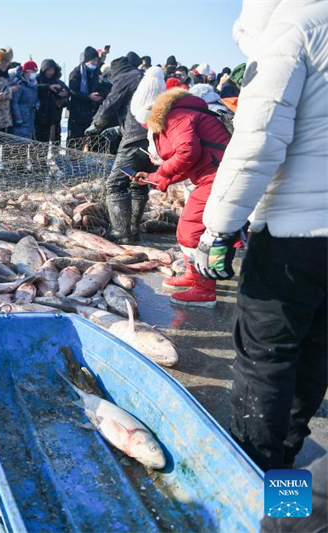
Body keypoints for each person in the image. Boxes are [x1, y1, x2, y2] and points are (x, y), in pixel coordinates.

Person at [195, 0, 327, 472]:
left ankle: (261, 483)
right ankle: (286, 492)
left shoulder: (296, 27)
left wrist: (220, 226)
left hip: (298, 235)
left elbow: (258, 140)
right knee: (315, 353)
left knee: (268, 358)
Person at [130, 88, 231, 305]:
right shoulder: (179, 113)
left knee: (191, 229)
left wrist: (163, 172)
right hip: (215, 175)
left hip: (220, 177)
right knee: (200, 228)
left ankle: (204, 289)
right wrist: (155, 178)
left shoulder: (176, 117)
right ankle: (195, 276)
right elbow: (192, 160)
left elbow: (187, 152)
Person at [87, 55, 153, 244]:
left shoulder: (127, 77)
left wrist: (97, 123)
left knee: (115, 184)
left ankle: (120, 234)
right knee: (137, 181)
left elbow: (111, 102)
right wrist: (119, 129)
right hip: (151, 138)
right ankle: (132, 230)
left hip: (134, 141)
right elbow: (139, 111)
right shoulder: (144, 77)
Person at [35, 59, 68, 172]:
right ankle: (37, 163)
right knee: (38, 142)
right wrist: (47, 87)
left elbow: (67, 93)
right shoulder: (37, 79)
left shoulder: (57, 81)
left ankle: (47, 162)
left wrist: (63, 95)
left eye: (52, 70)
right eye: (48, 70)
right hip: (39, 117)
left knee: (50, 141)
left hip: (53, 117)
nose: (50, 72)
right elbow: (34, 88)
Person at [67, 46, 104, 148]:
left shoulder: (97, 73)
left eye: (97, 61)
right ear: (87, 60)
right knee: (76, 142)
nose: (95, 63)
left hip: (92, 113)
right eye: (93, 61)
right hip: (78, 114)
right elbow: (73, 91)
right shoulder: (76, 73)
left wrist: (100, 97)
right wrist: (88, 97)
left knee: (92, 142)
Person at [10, 60, 39, 140]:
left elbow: (35, 98)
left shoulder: (33, 84)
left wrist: (37, 104)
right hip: (21, 118)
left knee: (27, 141)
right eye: (32, 71)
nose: (34, 74)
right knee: (19, 142)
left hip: (30, 117)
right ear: (26, 72)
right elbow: (14, 102)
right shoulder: (19, 84)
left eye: (35, 71)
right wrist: (18, 118)